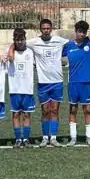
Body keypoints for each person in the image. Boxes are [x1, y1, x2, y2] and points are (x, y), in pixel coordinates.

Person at [23, 19, 68, 147]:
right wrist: (10, 50)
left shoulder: (59, 40)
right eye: (44, 28)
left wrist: (88, 40)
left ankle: (53, 137)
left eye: (48, 28)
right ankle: (44, 137)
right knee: (45, 111)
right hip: (43, 82)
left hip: (57, 81)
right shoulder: (34, 42)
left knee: (55, 110)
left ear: (51, 29)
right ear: (40, 29)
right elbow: (18, 44)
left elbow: (73, 43)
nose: (46, 30)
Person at [62, 20, 90, 147]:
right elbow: (55, 53)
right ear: (75, 31)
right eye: (79, 31)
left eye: (84, 32)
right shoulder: (68, 46)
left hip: (86, 82)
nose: (81, 34)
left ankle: (89, 138)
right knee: (73, 110)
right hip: (73, 83)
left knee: (88, 110)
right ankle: (73, 137)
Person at [7, 27, 36, 149]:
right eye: (17, 40)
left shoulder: (31, 52)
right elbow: (6, 58)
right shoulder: (10, 52)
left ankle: (26, 139)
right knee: (16, 114)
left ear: (25, 39)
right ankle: (18, 139)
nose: (20, 42)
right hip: (14, 89)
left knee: (27, 115)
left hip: (27, 90)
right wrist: (11, 48)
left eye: (22, 39)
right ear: (14, 40)